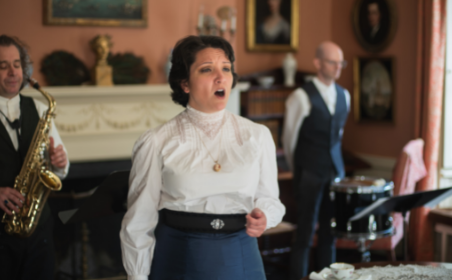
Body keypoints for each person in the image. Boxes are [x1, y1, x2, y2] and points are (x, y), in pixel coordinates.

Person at [120, 35, 285, 280]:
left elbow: (270, 198)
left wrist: (265, 216)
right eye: (207, 69)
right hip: (178, 254)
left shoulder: (257, 136)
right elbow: (139, 220)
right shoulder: (156, 141)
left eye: (226, 68)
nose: (221, 78)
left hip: (241, 254)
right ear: (185, 83)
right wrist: (137, 276)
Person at [0, 35, 69, 280]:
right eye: (3, 65)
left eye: (17, 64)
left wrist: (60, 163)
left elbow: (60, 169)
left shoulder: (41, 109)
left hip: (38, 232)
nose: (13, 72)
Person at [282, 41, 350, 280]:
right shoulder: (301, 97)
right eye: (333, 62)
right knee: (305, 233)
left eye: (341, 62)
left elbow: (338, 136)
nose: (338, 67)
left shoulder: (345, 96)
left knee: (329, 233)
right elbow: (289, 140)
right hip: (309, 172)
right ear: (318, 63)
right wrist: (299, 168)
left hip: (335, 172)